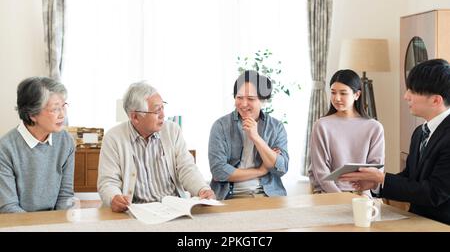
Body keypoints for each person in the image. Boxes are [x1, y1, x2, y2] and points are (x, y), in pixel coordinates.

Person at [340, 59, 450, 224]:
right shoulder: (420, 132)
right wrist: (376, 183)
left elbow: (434, 193)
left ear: (436, 100)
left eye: (412, 91)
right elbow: (410, 178)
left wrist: (382, 178)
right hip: (415, 220)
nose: (406, 96)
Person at [98, 81, 215, 213]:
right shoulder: (113, 138)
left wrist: (202, 189)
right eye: (157, 110)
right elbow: (108, 181)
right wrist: (114, 197)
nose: (163, 115)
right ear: (135, 117)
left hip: (173, 208)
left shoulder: (172, 131)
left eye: (162, 107)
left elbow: (186, 167)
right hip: (136, 211)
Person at [208, 70, 289, 200]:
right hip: (230, 197)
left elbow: (281, 168)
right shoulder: (221, 126)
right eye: (239, 98)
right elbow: (218, 171)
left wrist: (256, 138)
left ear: (263, 101)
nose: (243, 104)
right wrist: (260, 171)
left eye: (250, 99)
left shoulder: (276, 127)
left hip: (268, 196)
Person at [0, 77, 75, 213]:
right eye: (55, 109)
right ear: (32, 114)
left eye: (64, 106)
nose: (62, 115)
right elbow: (8, 207)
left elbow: (65, 197)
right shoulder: (5, 149)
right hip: (18, 224)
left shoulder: (66, 141)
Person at [308, 69, 385, 194]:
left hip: (362, 195)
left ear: (357, 95)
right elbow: (320, 171)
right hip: (328, 195)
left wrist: (362, 194)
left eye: (343, 93)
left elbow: (376, 170)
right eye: (333, 93)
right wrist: (340, 198)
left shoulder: (374, 127)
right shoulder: (321, 125)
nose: (337, 98)